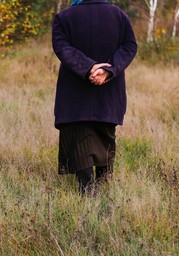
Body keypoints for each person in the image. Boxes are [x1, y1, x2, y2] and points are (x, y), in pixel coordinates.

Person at [52, 0, 137, 196]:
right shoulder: (119, 15)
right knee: (106, 136)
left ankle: (88, 193)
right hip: (109, 91)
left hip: (75, 93)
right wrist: (108, 70)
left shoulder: (64, 17)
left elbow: (62, 47)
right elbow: (129, 46)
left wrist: (89, 68)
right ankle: (103, 189)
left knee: (79, 138)